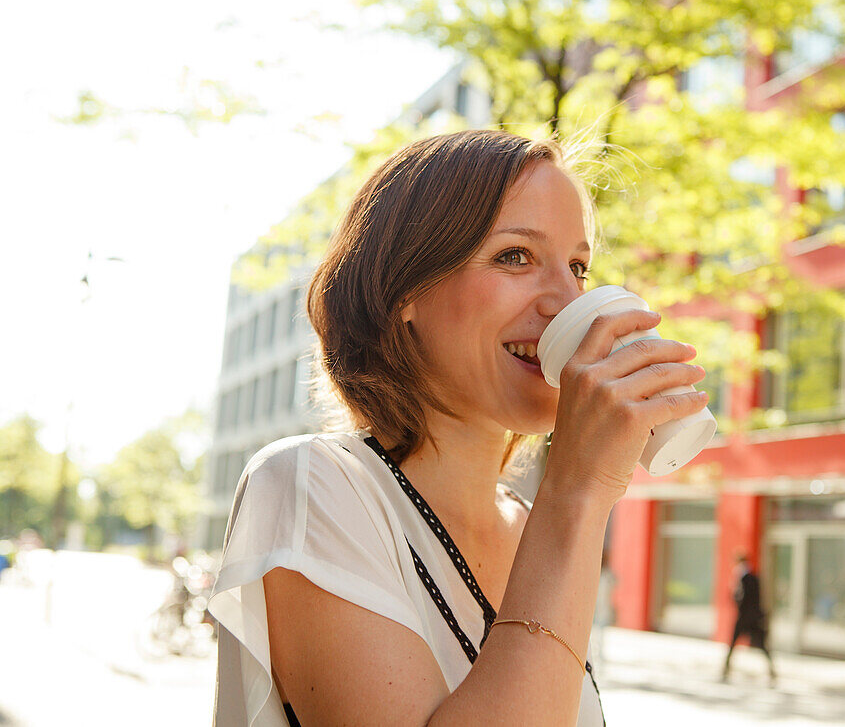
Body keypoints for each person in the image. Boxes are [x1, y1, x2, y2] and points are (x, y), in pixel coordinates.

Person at [208, 130, 709, 726]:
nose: (566, 299)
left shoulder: (530, 524)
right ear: (405, 291)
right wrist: (580, 491)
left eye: (577, 266)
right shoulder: (312, 484)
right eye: (514, 256)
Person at [720, 552, 777, 684]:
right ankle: (726, 666)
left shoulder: (747, 578)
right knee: (738, 644)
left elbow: (743, 599)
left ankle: (727, 666)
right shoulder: (748, 577)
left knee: (754, 644)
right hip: (751, 618)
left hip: (748, 618)